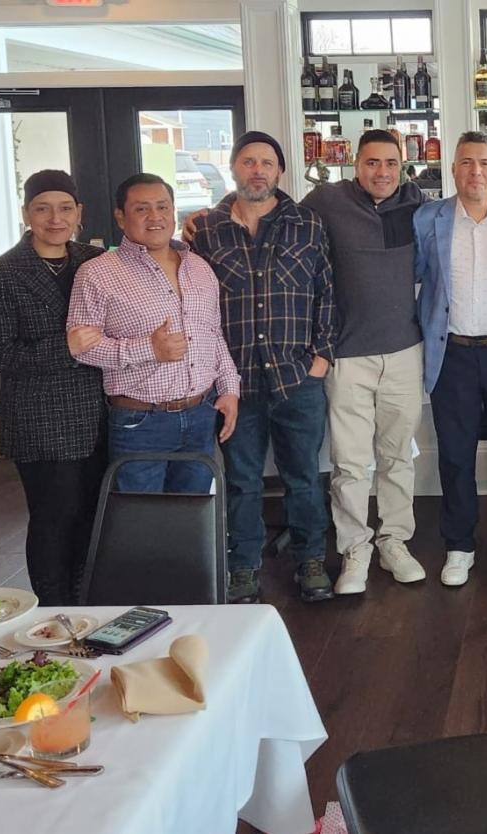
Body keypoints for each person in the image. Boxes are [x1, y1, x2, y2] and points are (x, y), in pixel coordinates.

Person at [189, 131, 337, 604]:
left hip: (297, 378)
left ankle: (310, 560)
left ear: (280, 171)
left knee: (304, 478)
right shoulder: (206, 231)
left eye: (267, 163)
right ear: (234, 168)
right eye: (248, 162)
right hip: (234, 383)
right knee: (241, 482)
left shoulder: (307, 224)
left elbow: (327, 293)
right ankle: (243, 567)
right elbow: (194, 303)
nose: (258, 170)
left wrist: (321, 358)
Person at [301, 129, 429, 596]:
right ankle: (355, 549)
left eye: (391, 163)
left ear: (403, 166)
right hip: (347, 354)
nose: (382, 172)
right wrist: (209, 218)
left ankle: (395, 541)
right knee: (351, 463)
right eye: (372, 162)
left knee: (397, 457)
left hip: (404, 350)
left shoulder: (415, 203)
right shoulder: (326, 201)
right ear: (355, 164)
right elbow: (273, 213)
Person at [0, 171, 107, 605]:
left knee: (93, 517)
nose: (55, 218)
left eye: (65, 208)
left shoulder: (96, 261)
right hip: (40, 420)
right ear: (26, 214)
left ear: (79, 213)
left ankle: (86, 603)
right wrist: (64, 347)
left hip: (99, 415)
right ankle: (52, 610)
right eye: (43, 209)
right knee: (54, 519)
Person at [68, 173, 240, 493]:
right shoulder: (97, 273)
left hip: (201, 414)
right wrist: (149, 349)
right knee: (141, 516)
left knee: (193, 513)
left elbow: (214, 334)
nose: (155, 216)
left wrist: (230, 389)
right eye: (141, 209)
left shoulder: (199, 267)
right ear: (121, 217)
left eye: (162, 207)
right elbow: (82, 348)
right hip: (140, 422)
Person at [414, 132, 487, 587]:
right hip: (453, 354)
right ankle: (459, 546)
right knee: (456, 454)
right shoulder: (429, 220)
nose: (475, 171)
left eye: (484, 162)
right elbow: (410, 276)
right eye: (466, 162)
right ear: (453, 170)